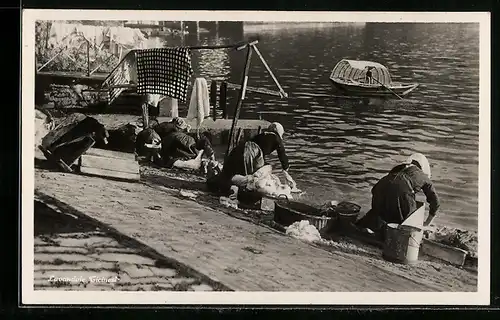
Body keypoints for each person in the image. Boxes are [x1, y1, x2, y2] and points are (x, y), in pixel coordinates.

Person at [356, 153, 440, 235]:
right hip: (402, 188)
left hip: (380, 185)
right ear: (423, 168)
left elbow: (390, 186)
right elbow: (435, 202)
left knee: (378, 213)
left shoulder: (399, 168)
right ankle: (387, 234)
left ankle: (369, 228)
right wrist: (427, 223)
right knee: (408, 222)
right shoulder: (423, 176)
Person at [208, 122, 297, 194]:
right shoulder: (275, 137)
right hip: (251, 152)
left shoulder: (261, 136)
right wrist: (286, 168)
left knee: (230, 173)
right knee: (257, 174)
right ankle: (245, 192)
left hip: (240, 149)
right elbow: (282, 153)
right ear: (278, 132)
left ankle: (219, 183)